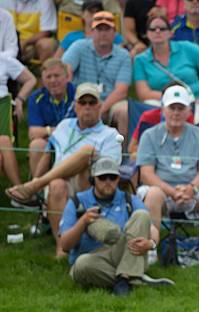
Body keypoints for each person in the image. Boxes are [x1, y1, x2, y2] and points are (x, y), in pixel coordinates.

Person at [6, 83, 122, 257]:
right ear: (75, 106)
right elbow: (47, 154)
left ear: (100, 106)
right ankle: (62, 248)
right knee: (57, 184)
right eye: (83, 103)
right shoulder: (64, 126)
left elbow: (109, 171)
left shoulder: (110, 134)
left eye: (92, 102)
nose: (87, 107)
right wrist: (37, 176)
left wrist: (36, 183)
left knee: (87, 152)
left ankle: (34, 186)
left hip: (91, 184)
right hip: (59, 181)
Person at [136, 84, 199, 268]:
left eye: (181, 108)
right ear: (163, 109)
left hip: (191, 190)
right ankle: (151, 248)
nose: (176, 113)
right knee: (152, 194)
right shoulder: (149, 135)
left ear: (189, 111)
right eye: (172, 108)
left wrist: (191, 189)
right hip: (161, 190)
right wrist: (170, 191)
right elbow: (146, 173)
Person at [60, 156, 174, 296]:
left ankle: (124, 277)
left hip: (123, 252)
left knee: (141, 215)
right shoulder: (77, 201)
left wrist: (151, 244)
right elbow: (64, 245)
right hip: (93, 259)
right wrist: (83, 222)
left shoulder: (128, 200)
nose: (108, 182)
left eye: (112, 177)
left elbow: (152, 229)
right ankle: (133, 278)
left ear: (118, 179)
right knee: (81, 265)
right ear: (93, 179)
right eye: (102, 178)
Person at [62, 11, 131, 138]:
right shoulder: (79, 46)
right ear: (92, 31)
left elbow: (121, 90)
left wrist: (100, 109)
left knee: (124, 110)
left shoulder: (123, 55)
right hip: (82, 100)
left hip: (109, 103)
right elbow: (64, 72)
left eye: (107, 29)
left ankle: (122, 155)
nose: (103, 33)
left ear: (115, 33)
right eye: (99, 29)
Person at [133, 15, 199, 106]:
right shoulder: (140, 60)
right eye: (153, 29)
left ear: (170, 33)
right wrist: (177, 98)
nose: (157, 31)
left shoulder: (187, 48)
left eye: (162, 28)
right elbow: (144, 94)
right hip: (162, 104)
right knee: (150, 104)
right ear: (147, 34)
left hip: (198, 102)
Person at [28, 59, 76, 175]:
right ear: (43, 80)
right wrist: (55, 131)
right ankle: (37, 188)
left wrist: (46, 130)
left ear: (67, 77)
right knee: (36, 144)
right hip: (48, 141)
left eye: (57, 76)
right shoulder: (36, 97)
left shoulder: (78, 94)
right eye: (48, 77)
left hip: (74, 139)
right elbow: (33, 133)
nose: (53, 80)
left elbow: (84, 127)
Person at [54, 0, 123, 59]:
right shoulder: (71, 37)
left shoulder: (113, 37)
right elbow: (56, 60)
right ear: (82, 14)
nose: (94, 15)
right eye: (91, 12)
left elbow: (123, 57)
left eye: (97, 12)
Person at [0, 55, 36, 142]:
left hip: (2, 104)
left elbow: (30, 79)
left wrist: (19, 99)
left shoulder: (4, 60)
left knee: (4, 141)